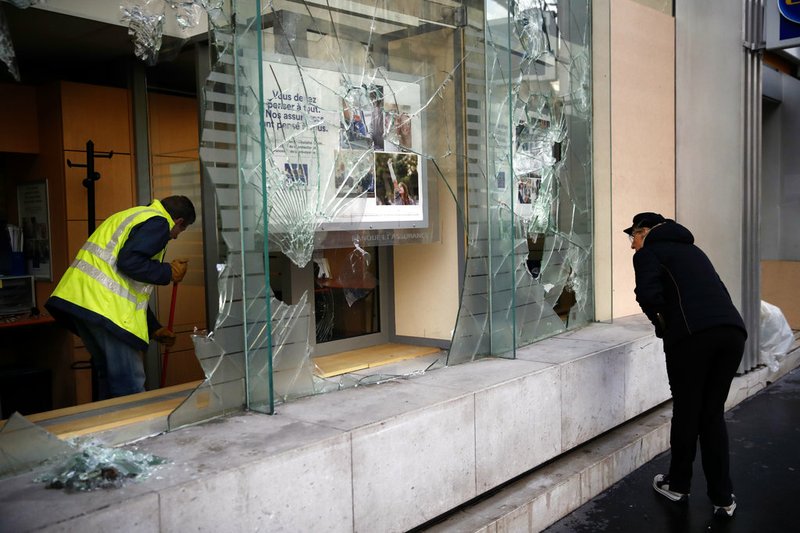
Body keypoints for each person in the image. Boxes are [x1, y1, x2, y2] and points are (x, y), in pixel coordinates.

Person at [624, 212, 747, 519]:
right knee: (711, 414)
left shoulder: (650, 252)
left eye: (634, 236)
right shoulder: (694, 251)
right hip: (731, 333)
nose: (633, 245)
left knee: (688, 410)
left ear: (648, 231)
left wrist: (667, 326)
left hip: (693, 338)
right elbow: (721, 291)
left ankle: (678, 485)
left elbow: (648, 295)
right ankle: (723, 498)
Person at [46, 196, 195, 400]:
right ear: (178, 221)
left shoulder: (132, 215)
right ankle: (137, 430)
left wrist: (153, 327)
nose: (176, 237)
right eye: (181, 231)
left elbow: (123, 286)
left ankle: (108, 429)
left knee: (109, 378)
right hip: (104, 310)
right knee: (129, 384)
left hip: (84, 302)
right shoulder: (159, 221)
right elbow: (129, 262)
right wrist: (168, 272)